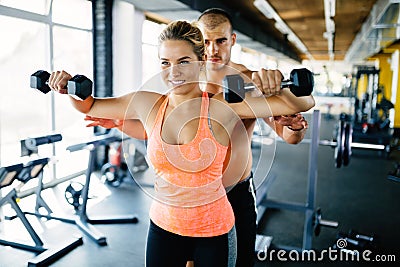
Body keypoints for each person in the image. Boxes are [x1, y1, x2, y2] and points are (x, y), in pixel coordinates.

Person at [48, 21, 314, 267]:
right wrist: (69, 87)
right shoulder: (147, 104)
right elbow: (91, 105)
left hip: (214, 232)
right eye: (165, 62)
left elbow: (304, 103)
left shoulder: (220, 108)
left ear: (201, 63)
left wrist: (274, 84)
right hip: (163, 229)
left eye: (183, 61)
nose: (173, 72)